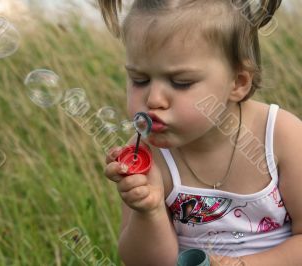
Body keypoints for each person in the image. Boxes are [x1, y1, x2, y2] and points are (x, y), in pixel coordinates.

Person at [99, 0, 302, 265]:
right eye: (140, 80)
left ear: (238, 82)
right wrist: (148, 211)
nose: (154, 99)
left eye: (181, 83)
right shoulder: (149, 155)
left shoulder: (281, 136)